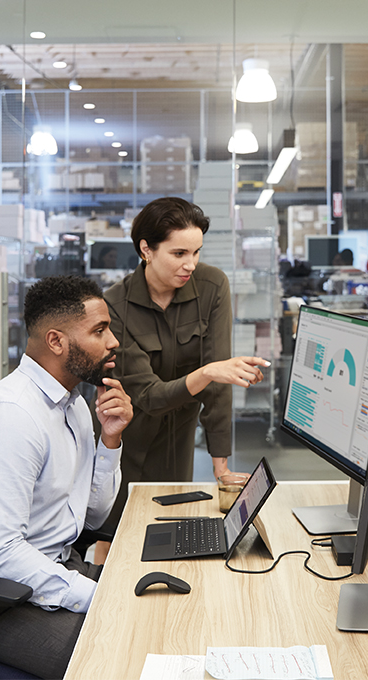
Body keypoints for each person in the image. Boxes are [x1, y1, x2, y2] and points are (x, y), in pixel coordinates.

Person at [0, 276, 133, 679]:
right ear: (56, 341)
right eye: (99, 331)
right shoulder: (12, 417)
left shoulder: (73, 405)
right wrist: (95, 595)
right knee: (120, 654)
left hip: (49, 569)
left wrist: (110, 440)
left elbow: (91, 517)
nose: (113, 342)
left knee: (157, 609)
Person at [98, 197, 268, 539]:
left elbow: (219, 382)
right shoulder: (115, 305)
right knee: (115, 533)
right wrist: (206, 373)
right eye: (179, 253)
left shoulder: (212, 287)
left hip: (178, 435)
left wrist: (221, 464)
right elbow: (147, 394)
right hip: (125, 433)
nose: (190, 264)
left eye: (196, 252)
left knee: (168, 527)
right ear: (146, 249)